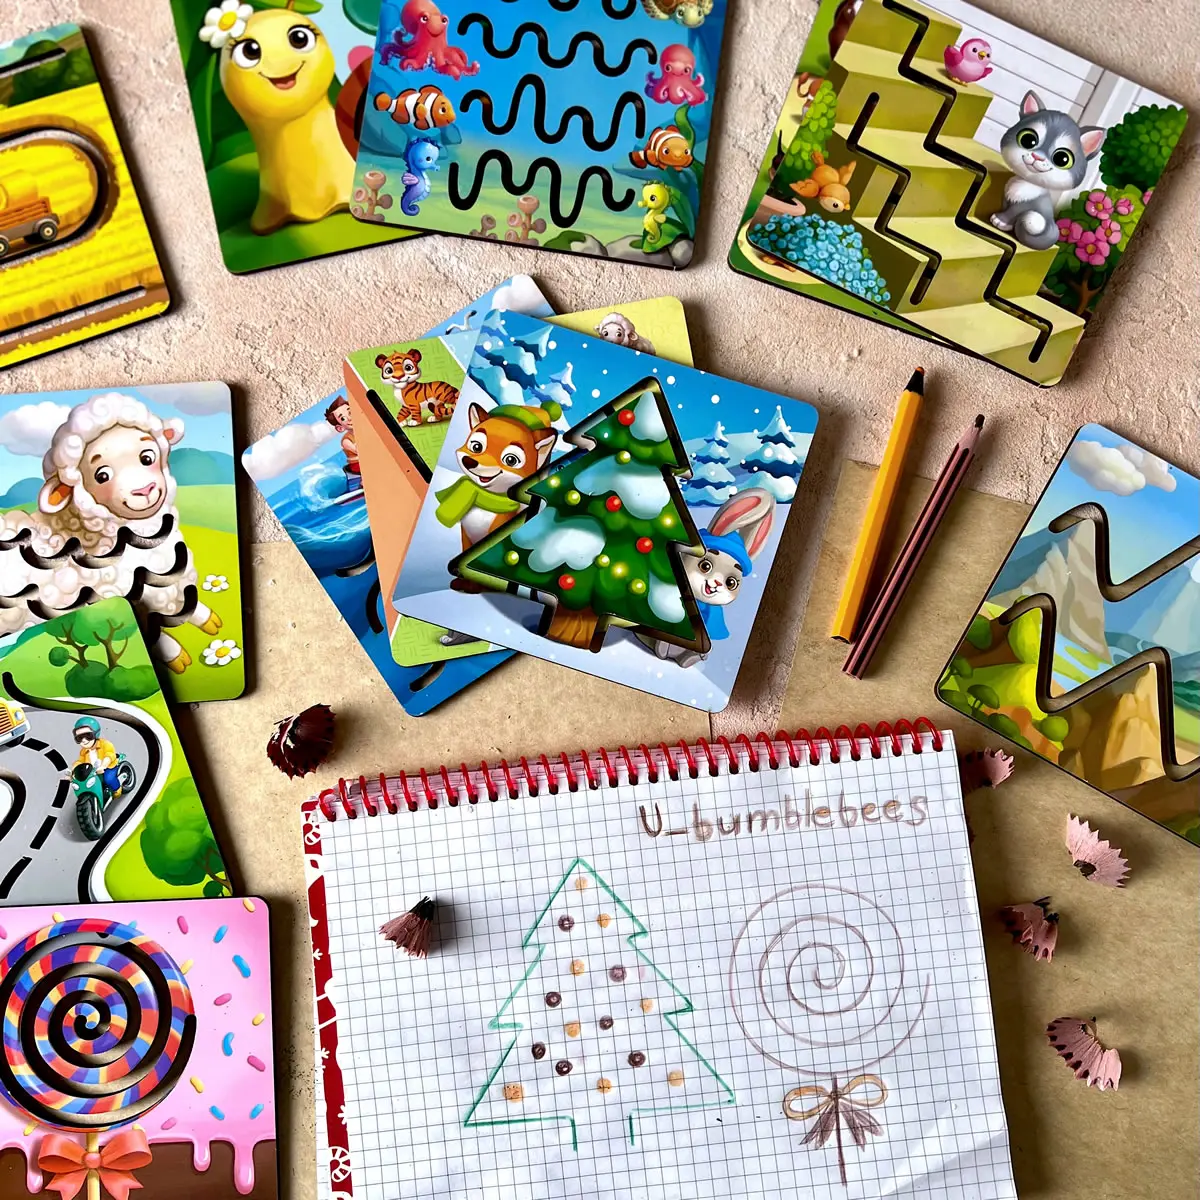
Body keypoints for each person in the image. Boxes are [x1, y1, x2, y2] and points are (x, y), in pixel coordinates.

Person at [71, 716, 123, 799]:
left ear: (96, 733)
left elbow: (109, 756)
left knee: (109, 779)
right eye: (79, 738)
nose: (84, 740)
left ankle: (117, 789)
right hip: (93, 771)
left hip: (108, 767)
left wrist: (103, 766)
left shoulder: (105, 744)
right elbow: (80, 762)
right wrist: (73, 771)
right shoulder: (83, 751)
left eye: (88, 735)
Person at [324, 398, 361, 485]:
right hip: (358, 464)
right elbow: (359, 450)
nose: (350, 418)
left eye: (350, 412)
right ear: (340, 428)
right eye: (343, 418)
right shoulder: (346, 440)